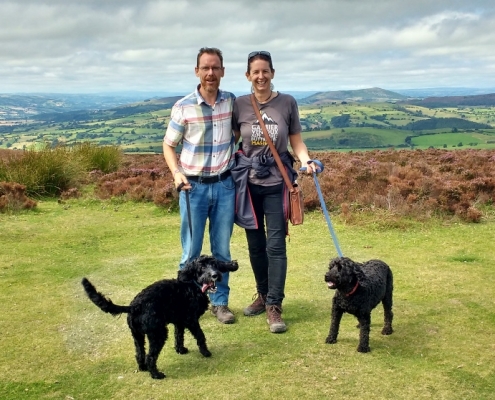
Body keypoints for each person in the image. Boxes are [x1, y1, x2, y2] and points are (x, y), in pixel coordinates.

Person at [232, 51, 318, 333]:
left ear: (272, 73)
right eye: (255, 72)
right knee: (255, 246)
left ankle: (274, 304)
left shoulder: (287, 103)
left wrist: (306, 161)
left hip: (277, 183)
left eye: (265, 71)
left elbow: (296, 141)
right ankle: (262, 294)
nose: (260, 76)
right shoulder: (240, 105)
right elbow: (231, 140)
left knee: (276, 245)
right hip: (247, 184)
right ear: (248, 75)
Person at [162, 47, 237, 324]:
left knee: (222, 251)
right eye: (205, 68)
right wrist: (176, 174)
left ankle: (219, 303)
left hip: (224, 185)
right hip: (192, 188)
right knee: (191, 252)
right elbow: (169, 145)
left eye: (215, 68)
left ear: (223, 71)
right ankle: (184, 302)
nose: (210, 73)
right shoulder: (183, 106)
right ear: (197, 71)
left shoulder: (231, 102)